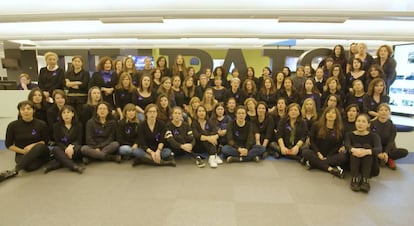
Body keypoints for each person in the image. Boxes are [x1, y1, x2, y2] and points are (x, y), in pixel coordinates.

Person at [1, 101, 49, 182]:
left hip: (40, 152)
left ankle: (14, 170)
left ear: (33, 111)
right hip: (22, 153)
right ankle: (22, 165)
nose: (26, 111)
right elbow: (9, 145)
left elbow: (45, 142)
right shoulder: (12, 125)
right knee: (29, 167)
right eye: (23, 109)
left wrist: (32, 146)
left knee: (39, 147)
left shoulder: (41, 124)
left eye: (28, 109)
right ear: (19, 111)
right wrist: (23, 151)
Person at [302, 107, 347, 178]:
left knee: (343, 157)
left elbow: (338, 144)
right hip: (317, 153)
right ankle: (330, 169)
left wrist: (328, 156)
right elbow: (312, 141)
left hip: (331, 155)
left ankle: (314, 163)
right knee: (305, 152)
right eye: (328, 112)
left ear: (336, 116)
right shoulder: (316, 125)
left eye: (333, 113)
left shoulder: (340, 129)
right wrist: (318, 153)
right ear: (325, 115)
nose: (330, 114)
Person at [345, 114, 381, 193]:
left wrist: (366, 151)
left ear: (368, 124)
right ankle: (355, 178)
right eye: (358, 121)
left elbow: (379, 149)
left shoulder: (374, 136)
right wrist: (355, 150)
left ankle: (365, 180)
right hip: (353, 162)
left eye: (363, 122)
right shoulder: (349, 135)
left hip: (370, 164)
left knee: (367, 146)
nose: (360, 124)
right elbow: (347, 146)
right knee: (356, 146)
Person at [46, 105, 85, 174]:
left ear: (73, 114)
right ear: (61, 115)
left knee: (80, 149)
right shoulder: (56, 126)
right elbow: (57, 141)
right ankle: (74, 166)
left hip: (74, 148)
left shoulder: (79, 125)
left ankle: (54, 165)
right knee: (55, 149)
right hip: (62, 148)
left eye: (68, 112)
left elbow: (79, 140)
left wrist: (71, 147)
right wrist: (66, 149)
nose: (66, 115)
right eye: (63, 113)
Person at [370, 103, 408, 170]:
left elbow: (391, 141)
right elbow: (370, 139)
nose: (383, 112)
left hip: (387, 148)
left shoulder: (392, 126)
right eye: (381, 110)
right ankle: (382, 159)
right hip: (375, 147)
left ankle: (387, 157)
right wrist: (378, 152)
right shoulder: (372, 124)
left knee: (404, 152)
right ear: (378, 112)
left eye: (386, 110)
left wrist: (386, 152)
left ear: (389, 112)